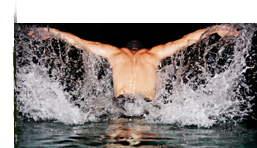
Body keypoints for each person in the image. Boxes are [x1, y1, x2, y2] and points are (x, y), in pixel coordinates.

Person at [28, 25, 239, 111]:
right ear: (142, 49)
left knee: (116, 136)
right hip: (145, 104)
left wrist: (52, 32)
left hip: (121, 103)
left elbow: (80, 42)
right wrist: (215, 29)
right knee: (148, 140)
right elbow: (186, 40)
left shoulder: (113, 53)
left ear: (126, 48)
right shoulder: (154, 54)